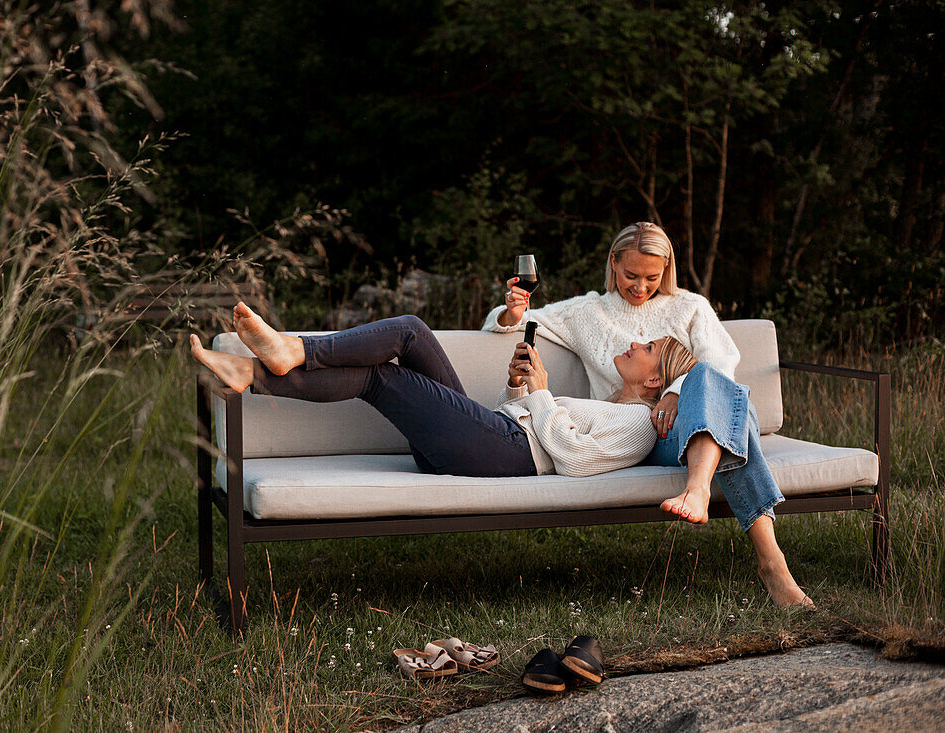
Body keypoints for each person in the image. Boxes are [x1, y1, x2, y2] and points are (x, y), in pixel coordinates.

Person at [483, 222, 813, 608]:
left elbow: (722, 364)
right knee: (738, 422)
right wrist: (511, 312)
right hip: (649, 435)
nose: (640, 287)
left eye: (652, 277)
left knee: (716, 387)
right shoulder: (587, 311)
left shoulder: (691, 307)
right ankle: (771, 561)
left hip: (696, 420)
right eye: (630, 275)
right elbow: (509, 323)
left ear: (667, 270)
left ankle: (701, 491)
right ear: (613, 264)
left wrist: (675, 392)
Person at [189, 303, 696, 479]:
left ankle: (268, 365)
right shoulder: (614, 407)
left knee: (383, 376)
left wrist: (540, 396)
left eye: (647, 346)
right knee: (411, 333)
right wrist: (519, 389)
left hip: (507, 453)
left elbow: (573, 460)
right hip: (498, 441)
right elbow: (535, 430)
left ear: (655, 380)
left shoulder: (639, 426)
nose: (635, 342)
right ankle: (277, 359)